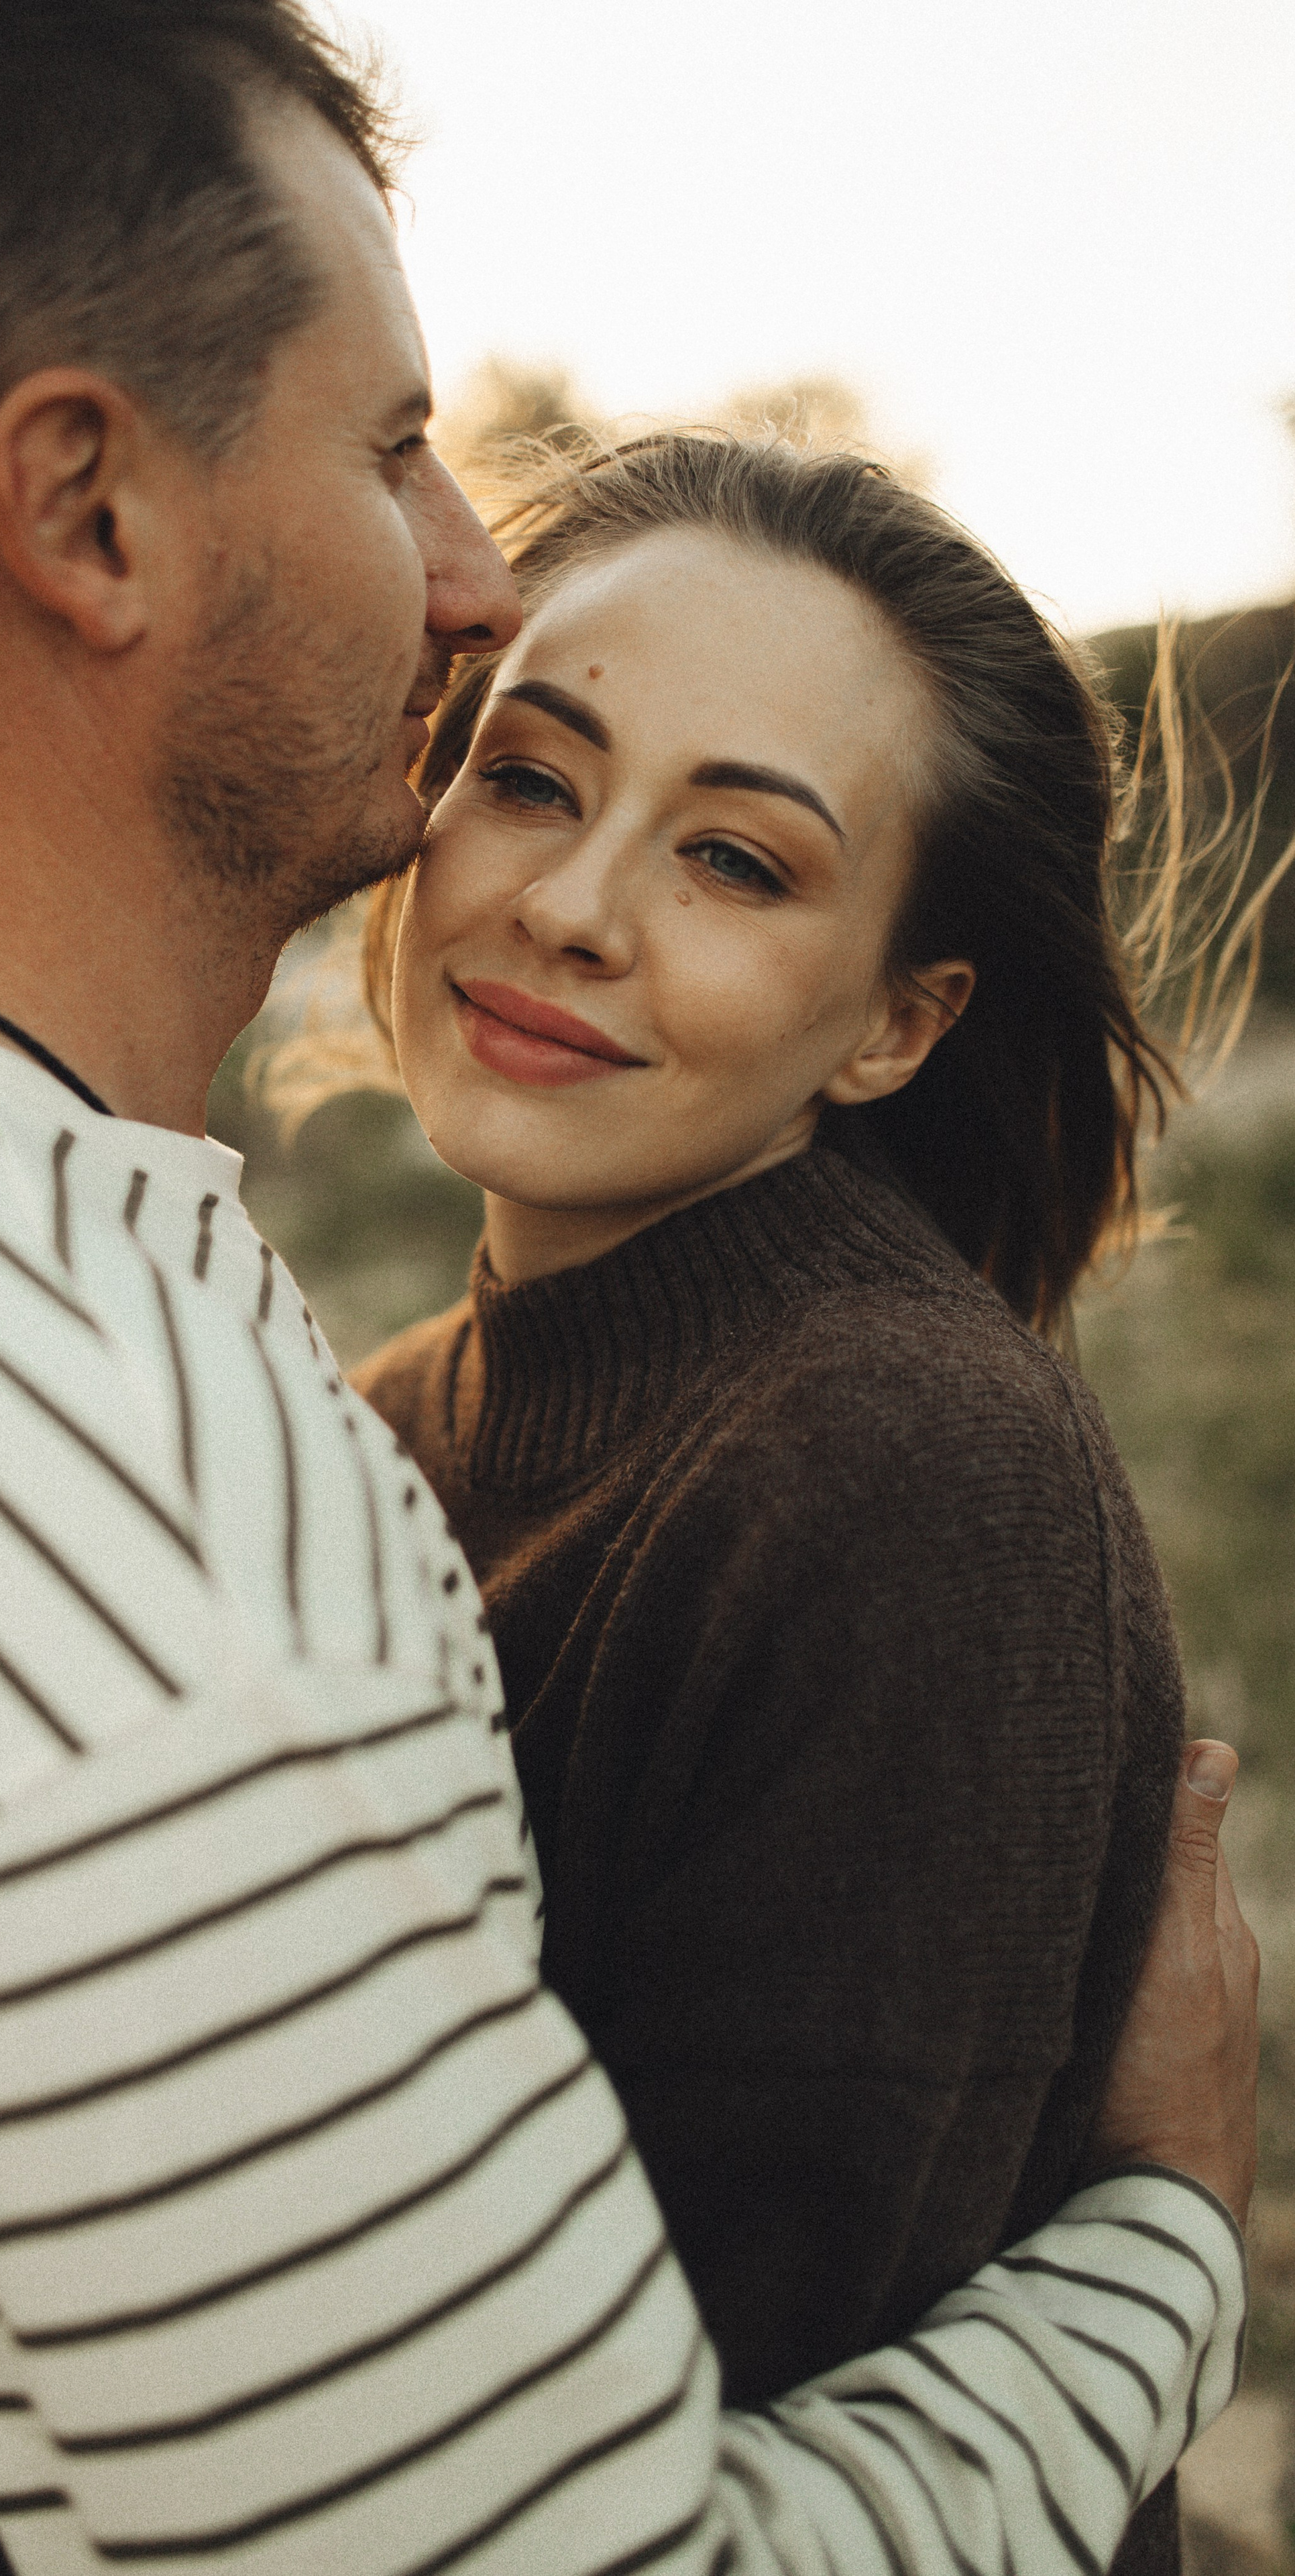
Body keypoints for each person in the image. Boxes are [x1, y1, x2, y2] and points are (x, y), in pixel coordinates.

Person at [0, 5, 1256, 2573]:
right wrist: (1168, 2237)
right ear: (88, 513)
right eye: (388, 448)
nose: (468, 572)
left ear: (908, 1015)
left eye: (743, 856)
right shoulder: (160, 1589)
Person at [347, 431, 1288, 2573]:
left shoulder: (904, 1473)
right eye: (532, 776)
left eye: (738, 863)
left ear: (896, 1024)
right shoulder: (386, 1421)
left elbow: (697, 2440)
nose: (568, 907)